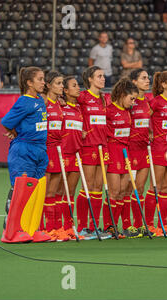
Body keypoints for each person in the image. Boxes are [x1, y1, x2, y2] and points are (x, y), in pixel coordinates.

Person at [1, 66, 51, 242]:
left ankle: (31, 229)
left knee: (36, 190)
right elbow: (6, 121)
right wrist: (14, 132)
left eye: (44, 79)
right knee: (21, 190)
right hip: (24, 150)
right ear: (29, 82)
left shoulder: (39, 100)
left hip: (40, 150)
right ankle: (11, 232)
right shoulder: (24, 101)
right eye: (40, 79)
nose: (44, 82)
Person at [76, 66, 111, 240]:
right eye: (99, 76)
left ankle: (94, 226)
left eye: (103, 76)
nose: (103, 79)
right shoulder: (82, 97)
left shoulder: (106, 99)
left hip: (103, 147)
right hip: (88, 147)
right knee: (87, 187)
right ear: (90, 79)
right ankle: (82, 227)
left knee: (98, 188)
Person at [102, 78, 140, 238]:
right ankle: (108, 226)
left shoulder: (128, 112)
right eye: (131, 98)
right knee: (114, 191)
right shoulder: (109, 110)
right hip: (113, 152)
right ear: (123, 94)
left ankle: (116, 226)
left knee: (123, 191)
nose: (132, 103)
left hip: (126, 153)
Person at [146, 70, 167, 236]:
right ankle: (149, 224)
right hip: (159, 149)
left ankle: (163, 224)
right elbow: (144, 118)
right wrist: (149, 132)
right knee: (156, 187)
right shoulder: (156, 102)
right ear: (163, 85)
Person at [128, 69, 158, 236]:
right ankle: (128, 225)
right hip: (130, 149)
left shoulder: (148, 101)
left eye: (148, 78)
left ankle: (140, 225)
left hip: (144, 149)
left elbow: (149, 120)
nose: (148, 81)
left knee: (140, 188)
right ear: (134, 81)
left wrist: (151, 132)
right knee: (128, 189)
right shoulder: (128, 101)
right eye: (144, 78)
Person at [42, 70, 70, 241]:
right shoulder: (44, 103)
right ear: (49, 85)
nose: (62, 86)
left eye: (62, 83)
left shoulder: (60, 104)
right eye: (59, 83)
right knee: (46, 191)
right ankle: (44, 228)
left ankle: (54, 227)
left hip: (59, 149)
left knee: (55, 191)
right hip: (46, 149)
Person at [60, 75, 88, 239]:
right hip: (63, 154)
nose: (78, 88)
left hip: (77, 154)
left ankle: (69, 226)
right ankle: (56, 226)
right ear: (65, 90)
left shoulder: (79, 109)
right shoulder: (60, 107)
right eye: (74, 85)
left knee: (70, 192)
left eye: (78, 85)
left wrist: (81, 133)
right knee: (58, 193)